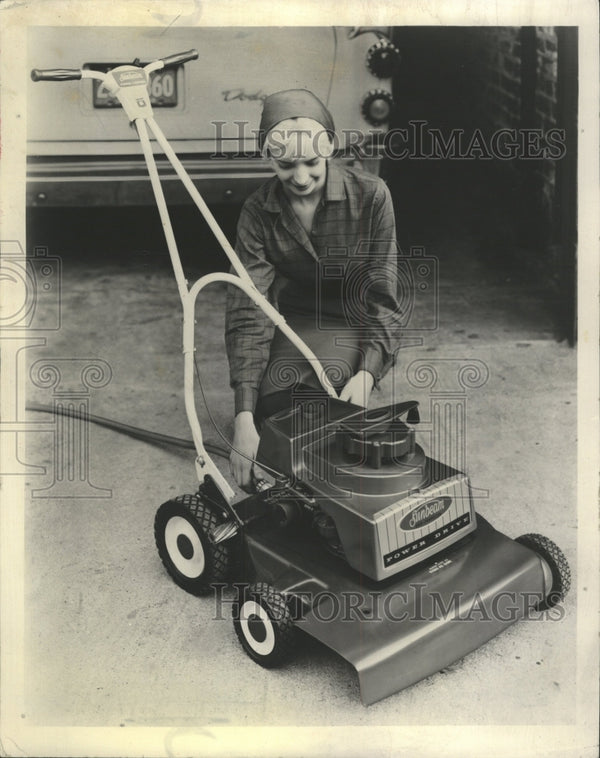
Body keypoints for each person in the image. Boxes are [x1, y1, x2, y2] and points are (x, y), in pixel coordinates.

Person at [225, 89, 402, 489]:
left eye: (312, 163)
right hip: (295, 320)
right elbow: (248, 310)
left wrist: (367, 375)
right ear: (268, 157)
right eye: (286, 165)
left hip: (353, 318)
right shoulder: (257, 211)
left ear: (330, 151)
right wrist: (243, 417)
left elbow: (384, 299)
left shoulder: (373, 196)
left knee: (327, 406)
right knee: (274, 410)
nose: (300, 178)